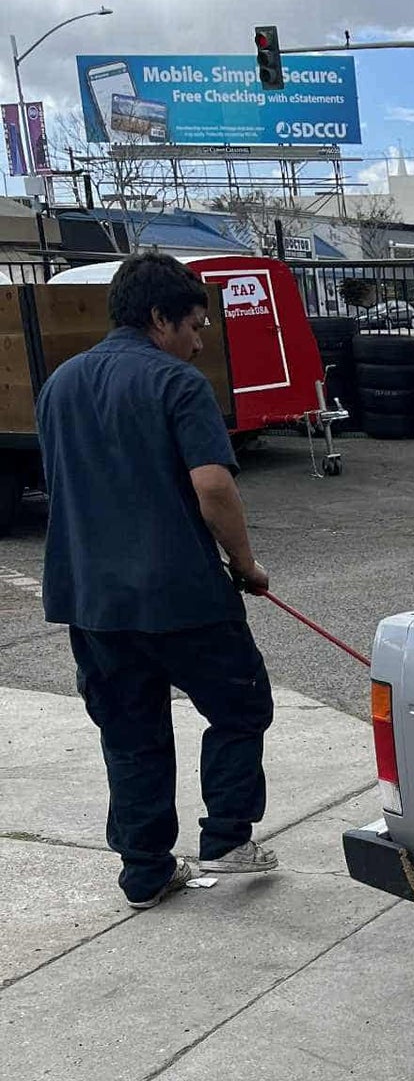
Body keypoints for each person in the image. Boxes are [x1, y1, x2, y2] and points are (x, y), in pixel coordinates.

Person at [37, 250, 276, 910]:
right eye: (194, 324)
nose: (199, 341)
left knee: (130, 731)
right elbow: (213, 485)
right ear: (157, 317)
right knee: (240, 706)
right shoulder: (176, 383)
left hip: (90, 599)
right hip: (181, 594)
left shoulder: (59, 384)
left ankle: (145, 872)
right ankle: (227, 838)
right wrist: (247, 566)